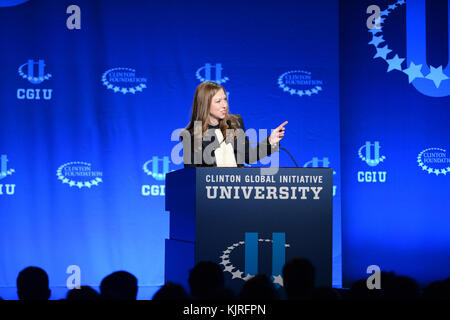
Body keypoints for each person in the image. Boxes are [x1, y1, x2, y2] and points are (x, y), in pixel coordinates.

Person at [181, 81, 287, 167]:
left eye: (225, 99)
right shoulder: (191, 135)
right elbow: (192, 176)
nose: (224, 105)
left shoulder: (234, 124)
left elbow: (248, 157)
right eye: (218, 101)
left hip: (238, 188)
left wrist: (270, 141)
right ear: (204, 104)